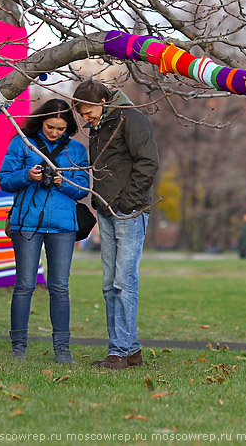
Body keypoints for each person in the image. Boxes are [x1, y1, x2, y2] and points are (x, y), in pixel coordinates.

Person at [72, 79, 158, 370]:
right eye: (82, 114)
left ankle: (118, 351)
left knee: (124, 282)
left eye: (87, 112)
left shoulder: (131, 120)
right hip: (106, 212)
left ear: (104, 101)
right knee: (110, 285)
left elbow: (148, 163)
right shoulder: (98, 128)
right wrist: (101, 204)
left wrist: (127, 203)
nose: (85, 118)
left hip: (129, 212)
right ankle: (130, 350)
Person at [0, 98, 89, 364]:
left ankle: (62, 349)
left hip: (63, 226)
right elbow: (4, 180)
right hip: (27, 223)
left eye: (60, 129)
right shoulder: (22, 143)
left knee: (60, 287)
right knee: (24, 285)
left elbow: (83, 189)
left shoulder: (76, 149)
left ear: (68, 127)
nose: (54, 133)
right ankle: (18, 349)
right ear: (41, 121)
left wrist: (63, 182)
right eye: (50, 127)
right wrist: (27, 175)